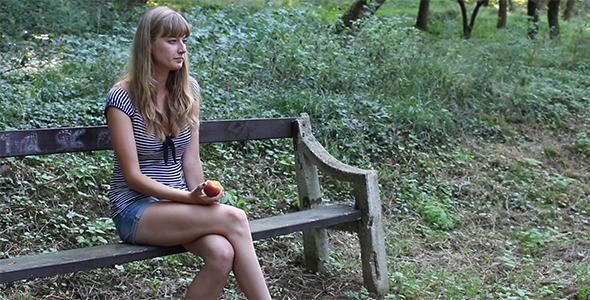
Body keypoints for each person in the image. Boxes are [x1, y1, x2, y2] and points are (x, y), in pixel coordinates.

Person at [104, 6, 272, 300]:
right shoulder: (122, 97)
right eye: (172, 40)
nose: (182, 49)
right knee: (235, 218)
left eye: (184, 40)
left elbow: (190, 159)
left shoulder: (188, 90)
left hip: (178, 202)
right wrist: (188, 198)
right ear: (148, 44)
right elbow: (132, 177)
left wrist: (203, 195)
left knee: (221, 254)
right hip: (136, 210)